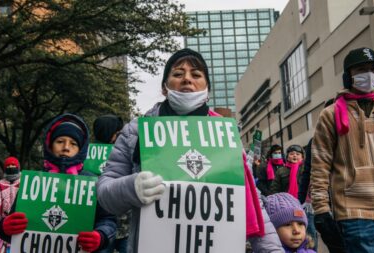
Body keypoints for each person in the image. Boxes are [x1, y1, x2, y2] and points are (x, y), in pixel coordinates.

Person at [96, 48, 283, 253]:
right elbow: (105, 193)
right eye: (178, 74)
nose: (187, 79)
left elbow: (248, 199)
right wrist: (131, 187)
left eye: (196, 74)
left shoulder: (226, 136)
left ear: (207, 90)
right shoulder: (137, 131)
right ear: (164, 88)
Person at [311, 47, 374, 253]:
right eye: (362, 70)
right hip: (354, 212)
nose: (369, 75)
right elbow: (320, 166)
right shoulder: (331, 114)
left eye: (373, 69)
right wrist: (321, 210)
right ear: (348, 77)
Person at [0, 113, 116, 253]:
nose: (66, 147)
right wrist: (4, 227)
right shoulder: (32, 183)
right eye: (60, 141)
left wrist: (100, 236)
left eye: (73, 143)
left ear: (81, 149)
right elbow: (11, 226)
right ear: (50, 145)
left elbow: (108, 220)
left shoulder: (94, 183)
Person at [298, 99, 346, 253]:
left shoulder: (350, 136)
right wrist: (300, 201)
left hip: (350, 200)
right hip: (325, 201)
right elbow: (308, 172)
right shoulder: (315, 141)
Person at [93, 115, 129, 253]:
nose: (120, 135)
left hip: (123, 226)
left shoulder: (125, 155)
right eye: (117, 132)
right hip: (100, 229)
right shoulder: (84, 157)